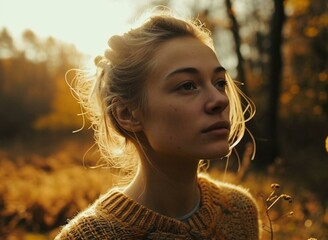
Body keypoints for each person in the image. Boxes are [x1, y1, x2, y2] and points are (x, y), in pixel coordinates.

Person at [55, 8, 260, 240]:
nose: (220, 100)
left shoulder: (239, 212)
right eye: (187, 85)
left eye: (219, 82)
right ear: (127, 114)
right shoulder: (88, 237)